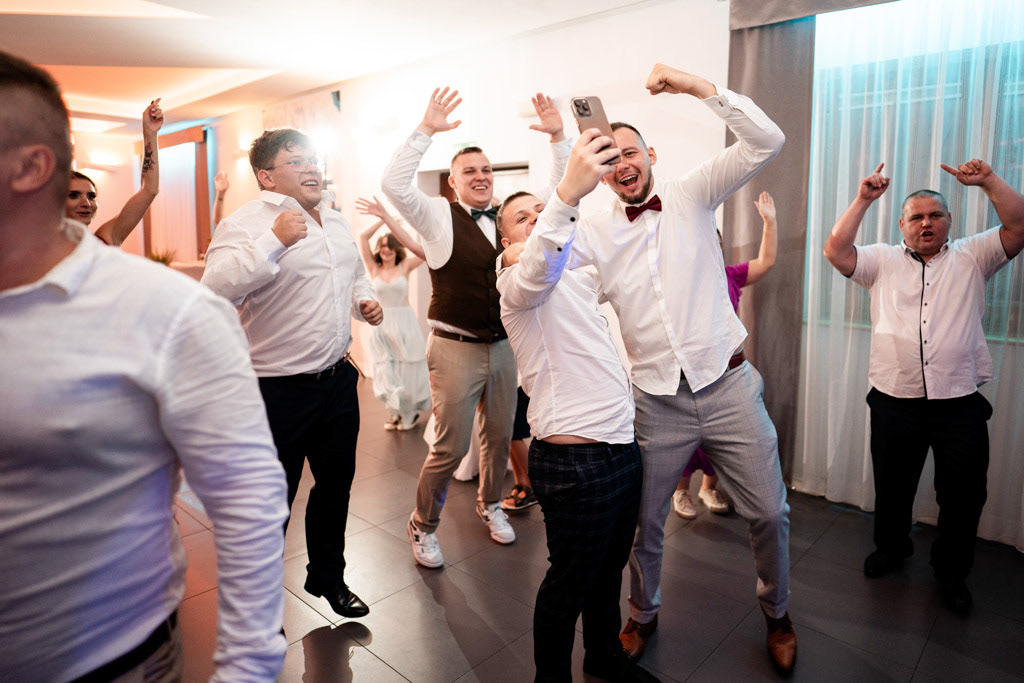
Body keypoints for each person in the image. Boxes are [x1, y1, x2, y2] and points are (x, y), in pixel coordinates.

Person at [0, 50, 288, 681]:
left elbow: (247, 496)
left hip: (106, 656)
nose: (83, 203)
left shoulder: (142, 285)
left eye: (88, 195)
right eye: (76, 195)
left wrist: (149, 138)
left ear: (30, 168)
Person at [570, 63, 796, 673]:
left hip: (729, 387)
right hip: (655, 401)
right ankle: (642, 613)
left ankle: (778, 613)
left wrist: (696, 87)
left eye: (630, 152)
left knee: (769, 511)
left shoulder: (693, 192)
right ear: (600, 171)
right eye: (609, 158)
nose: (622, 164)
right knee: (642, 523)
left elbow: (767, 140)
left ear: (650, 154)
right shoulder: (593, 232)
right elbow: (550, 275)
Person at [823, 159, 1024, 614]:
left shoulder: (974, 255)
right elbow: (835, 250)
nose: (926, 223)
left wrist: (988, 181)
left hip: (959, 401)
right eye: (916, 217)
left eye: (935, 215)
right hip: (895, 399)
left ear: (949, 221)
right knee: (893, 487)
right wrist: (863, 199)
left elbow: (1019, 225)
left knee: (963, 495)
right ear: (902, 225)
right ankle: (892, 548)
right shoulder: (881, 260)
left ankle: (952, 572)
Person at [381, 88, 571, 567]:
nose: (481, 176)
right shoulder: (437, 215)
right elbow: (394, 184)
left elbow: (558, 195)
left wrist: (557, 138)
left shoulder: (509, 215)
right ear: (453, 181)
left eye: (486, 169)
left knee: (500, 436)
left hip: (504, 345)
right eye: (470, 171)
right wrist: (426, 128)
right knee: (449, 447)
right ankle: (422, 524)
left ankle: (491, 504)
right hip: (454, 347)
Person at [202, 128, 382, 619]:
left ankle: (327, 577)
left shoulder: (337, 220)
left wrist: (364, 301)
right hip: (274, 390)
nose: (311, 167)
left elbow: (354, 274)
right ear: (267, 176)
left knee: (334, 489)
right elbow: (214, 288)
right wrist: (272, 242)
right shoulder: (244, 224)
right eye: (296, 160)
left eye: (313, 158)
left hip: (338, 381)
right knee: (269, 503)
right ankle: (257, 606)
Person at [497, 129, 657, 683]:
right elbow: (539, 260)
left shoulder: (575, 276)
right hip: (575, 462)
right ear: (506, 243)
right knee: (569, 582)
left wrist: (560, 140)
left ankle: (603, 655)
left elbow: (558, 245)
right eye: (522, 218)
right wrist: (562, 197)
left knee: (608, 570)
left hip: (620, 448)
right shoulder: (517, 286)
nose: (536, 220)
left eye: (539, 212)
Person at [673, 192, 778, 519]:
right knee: (686, 441)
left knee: (720, 441)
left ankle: (708, 488)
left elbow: (765, 262)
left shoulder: (730, 275)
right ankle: (681, 492)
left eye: (715, 244)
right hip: (690, 376)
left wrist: (770, 222)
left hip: (726, 373)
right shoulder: (678, 284)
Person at [356, 195, 431, 431]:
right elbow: (363, 237)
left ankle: (409, 413)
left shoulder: (404, 266)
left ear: (396, 249)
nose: (386, 249)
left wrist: (395, 225)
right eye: (383, 246)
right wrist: (382, 219)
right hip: (381, 324)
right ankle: (395, 412)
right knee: (385, 371)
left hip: (404, 322)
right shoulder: (374, 268)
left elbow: (425, 251)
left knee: (406, 369)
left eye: (390, 246)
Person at [66, 98, 163, 246]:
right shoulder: (40, 250)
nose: (86, 203)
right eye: (73, 195)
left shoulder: (105, 239)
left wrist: (150, 133)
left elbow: (150, 190)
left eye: (91, 196)